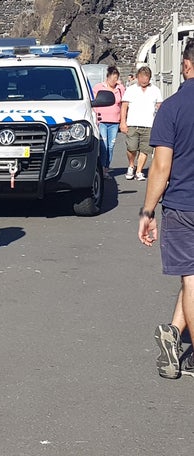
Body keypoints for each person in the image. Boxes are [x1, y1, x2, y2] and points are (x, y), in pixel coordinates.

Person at [141, 39, 194, 379]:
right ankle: (173, 335)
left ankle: (173, 335)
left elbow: (161, 166)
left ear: (186, 66)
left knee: (191, 280)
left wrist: (147, 212)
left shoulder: (172, 107)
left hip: (183, 206)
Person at [120, 65, 163, 181]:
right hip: (133, 123)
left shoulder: (155, 90)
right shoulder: (131, 89)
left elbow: (160, 107)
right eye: (142, 77)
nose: (144, 80)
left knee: (145, 149)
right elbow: (124, 106)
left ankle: (139, 171)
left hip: (149, 124)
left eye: (146, 77)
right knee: (131, 148)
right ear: (137, 77)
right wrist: (122, 122)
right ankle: (131, 165)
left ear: (149, 78)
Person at [92, 65, 125, 179]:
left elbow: (123, 104)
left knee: (111, 146)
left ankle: (106, 167)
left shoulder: (120, 88)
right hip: (102, 120)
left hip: (114, 121)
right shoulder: (98, 87)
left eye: (116, 78)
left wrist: (123, 120)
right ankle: (101, 168)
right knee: (104, 145)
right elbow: (93, 101)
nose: (114, 81)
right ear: (107, 77)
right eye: (112, 78)